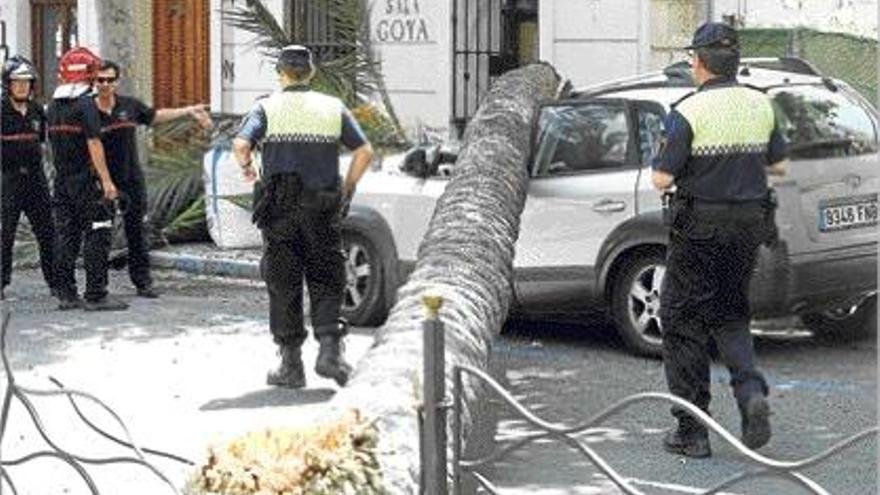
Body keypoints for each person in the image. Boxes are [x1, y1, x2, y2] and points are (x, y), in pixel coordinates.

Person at [651, 22, 789, 458]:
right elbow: (779, 167)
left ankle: (692, 432)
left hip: (698, 231)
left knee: (682, 320)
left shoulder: (688, 110)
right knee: (731, 315)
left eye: (693, 58)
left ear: (701, 62)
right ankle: (751, 396)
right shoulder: (762, 104)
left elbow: (661, 178)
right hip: (749, 227)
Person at [232, 45, 374, 388]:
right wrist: (348, 190)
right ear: (311, 73)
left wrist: (249, 169)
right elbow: (364, 151)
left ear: (281, 73)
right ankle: (329, 351)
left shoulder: (266, 107)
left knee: (283, 282)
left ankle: (291, 365)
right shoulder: (332, 107)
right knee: (327, 277)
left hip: (278, 211)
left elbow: (240, 145)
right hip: (322, 207)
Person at [93, 60, 212, 298]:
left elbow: (155, 116)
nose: (105, 85)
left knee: (136, 231)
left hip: (131, 178)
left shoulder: (128, 106)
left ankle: (142, 282)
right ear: (93, 82)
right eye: (100, 80)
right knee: (100, 232)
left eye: (109, 80)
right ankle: (97, 286)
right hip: (101, 180)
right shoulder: (87, 111)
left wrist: (188, 111)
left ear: (116, 82)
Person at [47, 47, 126, 311]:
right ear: (88, 74)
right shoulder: (86, 106)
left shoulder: (54, 106)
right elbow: (94, 143)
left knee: (67, 235)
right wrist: (107, 181)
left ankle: (66, 294)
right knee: (98, 231)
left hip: (62, 180)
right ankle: (96, 294)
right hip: (87, 180)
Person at [0, 56, 57, 300]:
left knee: (48, 232)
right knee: (5, 233)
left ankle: (57, 282)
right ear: (7, 84)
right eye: (17, 82)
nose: (22, 86)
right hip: (8, 179)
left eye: (26, 82)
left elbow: (43, 144)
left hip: (36, 180)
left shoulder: (37, 111)